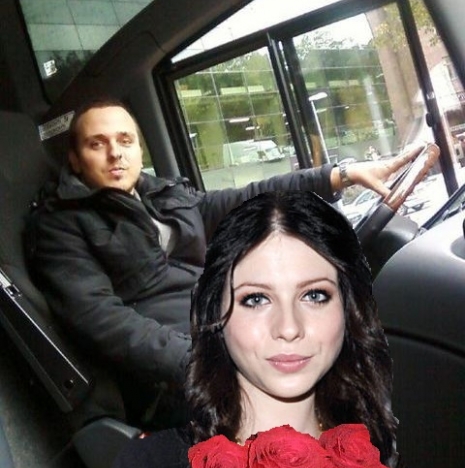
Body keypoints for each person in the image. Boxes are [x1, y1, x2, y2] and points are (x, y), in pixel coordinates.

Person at [25, 97, 420, 425]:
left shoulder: (163, 195)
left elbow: (249, 196)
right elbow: (103, 321)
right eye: (97, 144)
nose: (115, 152)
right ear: (75, 159)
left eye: (125, 140)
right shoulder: (61, 225)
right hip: (169, 376)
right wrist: (200, 362)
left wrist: (340, 175)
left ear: (138, 150)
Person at [103, 190, 430, 468]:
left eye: (314, 295)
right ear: (216, 313)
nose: (288, 327)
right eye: (256, 299)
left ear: (349, 310)